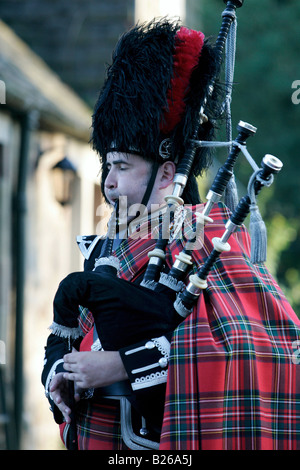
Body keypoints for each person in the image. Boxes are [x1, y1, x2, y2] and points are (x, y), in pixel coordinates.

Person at [42, 18, 300, 451]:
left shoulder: (204, 233)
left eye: (122, 167)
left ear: (166, 175)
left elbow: (246, 350)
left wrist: (120, 365)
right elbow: (64, 335)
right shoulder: (108, 246)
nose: (108, 182)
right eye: (107, 166)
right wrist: (58, 378)